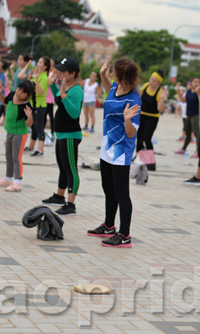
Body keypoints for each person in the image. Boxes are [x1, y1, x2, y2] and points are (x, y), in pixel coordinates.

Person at [86, 56, 141, 248]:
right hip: (106, 147)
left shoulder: (133, 100)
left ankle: (124, 234)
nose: (110, 74)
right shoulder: (115, 88)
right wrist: (102, 74)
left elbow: (131, 132)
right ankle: (109, 225)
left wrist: (127, 119)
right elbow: (110, 92)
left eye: (112, 72)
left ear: (121, 76)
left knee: (121, 193)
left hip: (120, 152)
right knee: (108, 188)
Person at [41, 57, 83, 215]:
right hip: (61, 134)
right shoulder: (66, 86)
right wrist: (53, 85)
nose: (59, 73)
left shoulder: (76, 90)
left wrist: (64, 95)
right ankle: (59, 196)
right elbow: (59, 99)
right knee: (63, 167)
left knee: (71, 169)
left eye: (63, 71)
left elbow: (74, 113)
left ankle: (70, 204)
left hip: (71, 135)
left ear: (72, 73)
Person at [0, 81, 35, 192]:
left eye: (23, 92)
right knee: (8, 155)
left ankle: (17, 182)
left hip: (20, 134)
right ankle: (8, 178)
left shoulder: (26, 105)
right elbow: (5, 102)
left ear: (28, 95)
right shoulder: (12, 95)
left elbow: (29, 124)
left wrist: (29, 117)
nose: (19, 92)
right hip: (10, 131)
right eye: (19, 88)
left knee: (16, 157)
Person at [135, 69, 166, 159]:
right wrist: (136, 85)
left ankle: (150, 160)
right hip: (142, 115)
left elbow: (160, 108)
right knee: (139, 136)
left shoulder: (159, 92)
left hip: (152, 117)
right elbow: (140, 95)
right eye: (151, 79)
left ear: (158, 83)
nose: (151, 82)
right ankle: (138, 156)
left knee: (147, 138)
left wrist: (161, 99)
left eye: (154, 81)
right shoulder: (145, 86)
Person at [26, 56, 50, 156]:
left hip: (40, 106)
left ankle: (40, 150)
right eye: (38, 62)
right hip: (33, 104)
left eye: (40, 62)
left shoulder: (44, 77)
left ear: (45, 66)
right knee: (33, 126)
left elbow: (40, 92)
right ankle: (31, 146)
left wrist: (35, 78)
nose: (38, 64)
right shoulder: (37, 75)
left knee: (39, 126)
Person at [175, 77, 200, 157]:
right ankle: (183, 149)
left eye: (198, 82)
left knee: (197, 133)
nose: (196, 83)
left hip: (196, 115)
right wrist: (178, 91)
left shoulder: (199, 92)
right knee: (188, 134)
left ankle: (198, 151)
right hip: (188, 115)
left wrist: (199, 93)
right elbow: (184, 100)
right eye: (194, 81)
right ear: (191, 83)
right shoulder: (189, 91)